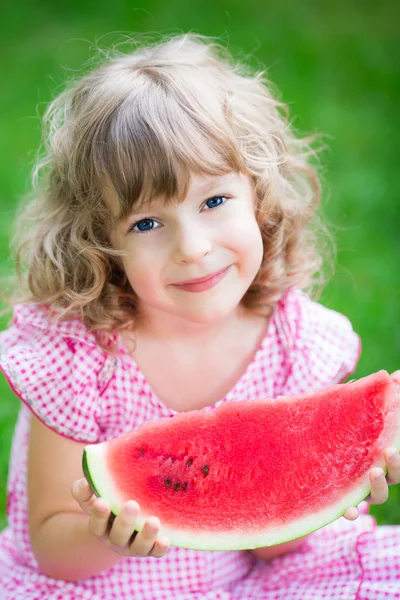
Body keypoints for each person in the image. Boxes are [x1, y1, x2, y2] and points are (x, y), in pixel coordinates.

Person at [0, 32, 399, 600]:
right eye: (146, 224)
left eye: (214, 202)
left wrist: (333, 485)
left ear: (258, 196)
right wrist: (107, 534)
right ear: (101, 243)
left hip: (250, 584)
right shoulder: (81, 355)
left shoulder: (294, 342)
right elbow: (52, 547)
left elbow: (268, 541)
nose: (191, 247)